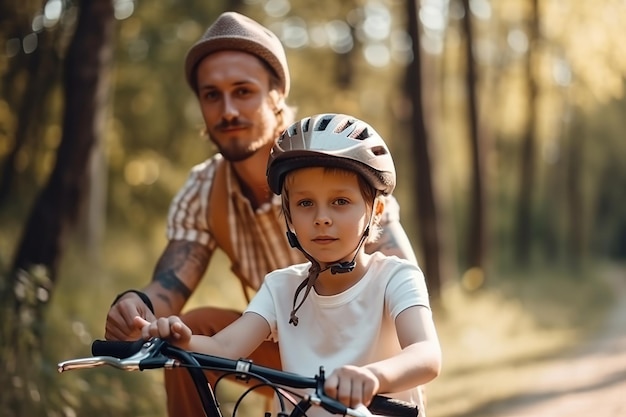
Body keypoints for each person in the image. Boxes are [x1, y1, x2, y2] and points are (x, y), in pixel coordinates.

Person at [104, 11, 419, 417]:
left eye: (243, 91)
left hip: (365, 353)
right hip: (278, 342)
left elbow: (403, 289)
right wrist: (136, 308)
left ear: (276, 96)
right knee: (191, 327)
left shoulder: (338, 164)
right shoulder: (203, 190)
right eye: (211, 95)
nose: (228, 110)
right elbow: (170, 282)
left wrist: (381, 371)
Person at [135, 113, 442, 417]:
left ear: (376, 210)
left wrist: (374, 376)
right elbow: (226, 346)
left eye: (340, 202)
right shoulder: (281, 287)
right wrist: (184, 340)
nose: (322, 218)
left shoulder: (395, 277)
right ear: (290, 216)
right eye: (305, 204)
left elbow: (426, 354)